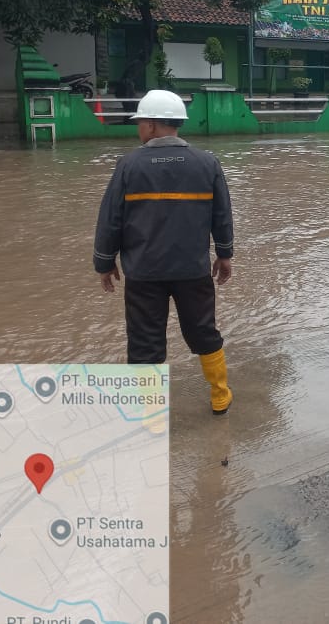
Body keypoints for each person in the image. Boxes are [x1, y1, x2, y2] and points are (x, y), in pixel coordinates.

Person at [93, 90, 236, 415]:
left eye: (140, 122)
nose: (139, 129)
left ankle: (149, 411)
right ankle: (220, 395)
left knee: (145, 341)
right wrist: (224, 253)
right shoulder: (207, 163)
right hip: (193, 270)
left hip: (143, 273)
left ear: (152, 125)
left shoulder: (128, 165)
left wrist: (104, 261)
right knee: (203, 330)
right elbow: (222, 214)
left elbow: (111, 218)